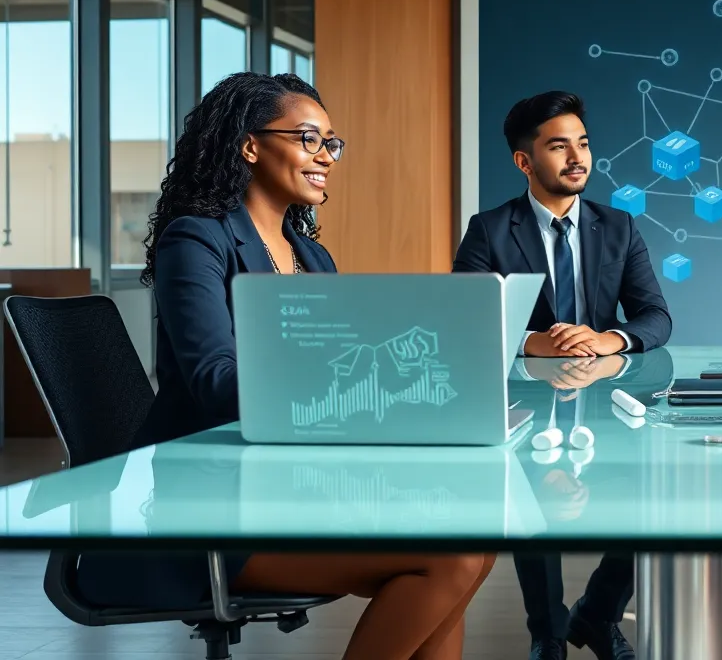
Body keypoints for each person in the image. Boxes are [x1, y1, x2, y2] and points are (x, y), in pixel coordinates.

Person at [75, 72, 494, 660]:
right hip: (213, 508)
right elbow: (216, 383)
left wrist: (408, 387)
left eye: (330, 143)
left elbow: (341, 367)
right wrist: (354, 389)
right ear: (250, 146)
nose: (325, 156)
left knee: (474, 542)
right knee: (447, 559)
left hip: (295, 485)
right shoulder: (195, 242)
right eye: (307, 138)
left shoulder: (310, 255)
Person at [453, 90, 672, 660]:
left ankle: (597, 615)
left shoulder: (618, 227)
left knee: (653, 509)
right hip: (526, 404)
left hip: (608, 403)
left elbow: (656, 315)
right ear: (525, 161)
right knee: (533, 508)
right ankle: (547, 634)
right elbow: (464, 318)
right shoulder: (490, 230)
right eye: (559, 146)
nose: (577, 157)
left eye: (583, 143)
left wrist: (608, 338)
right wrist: (532, 342)